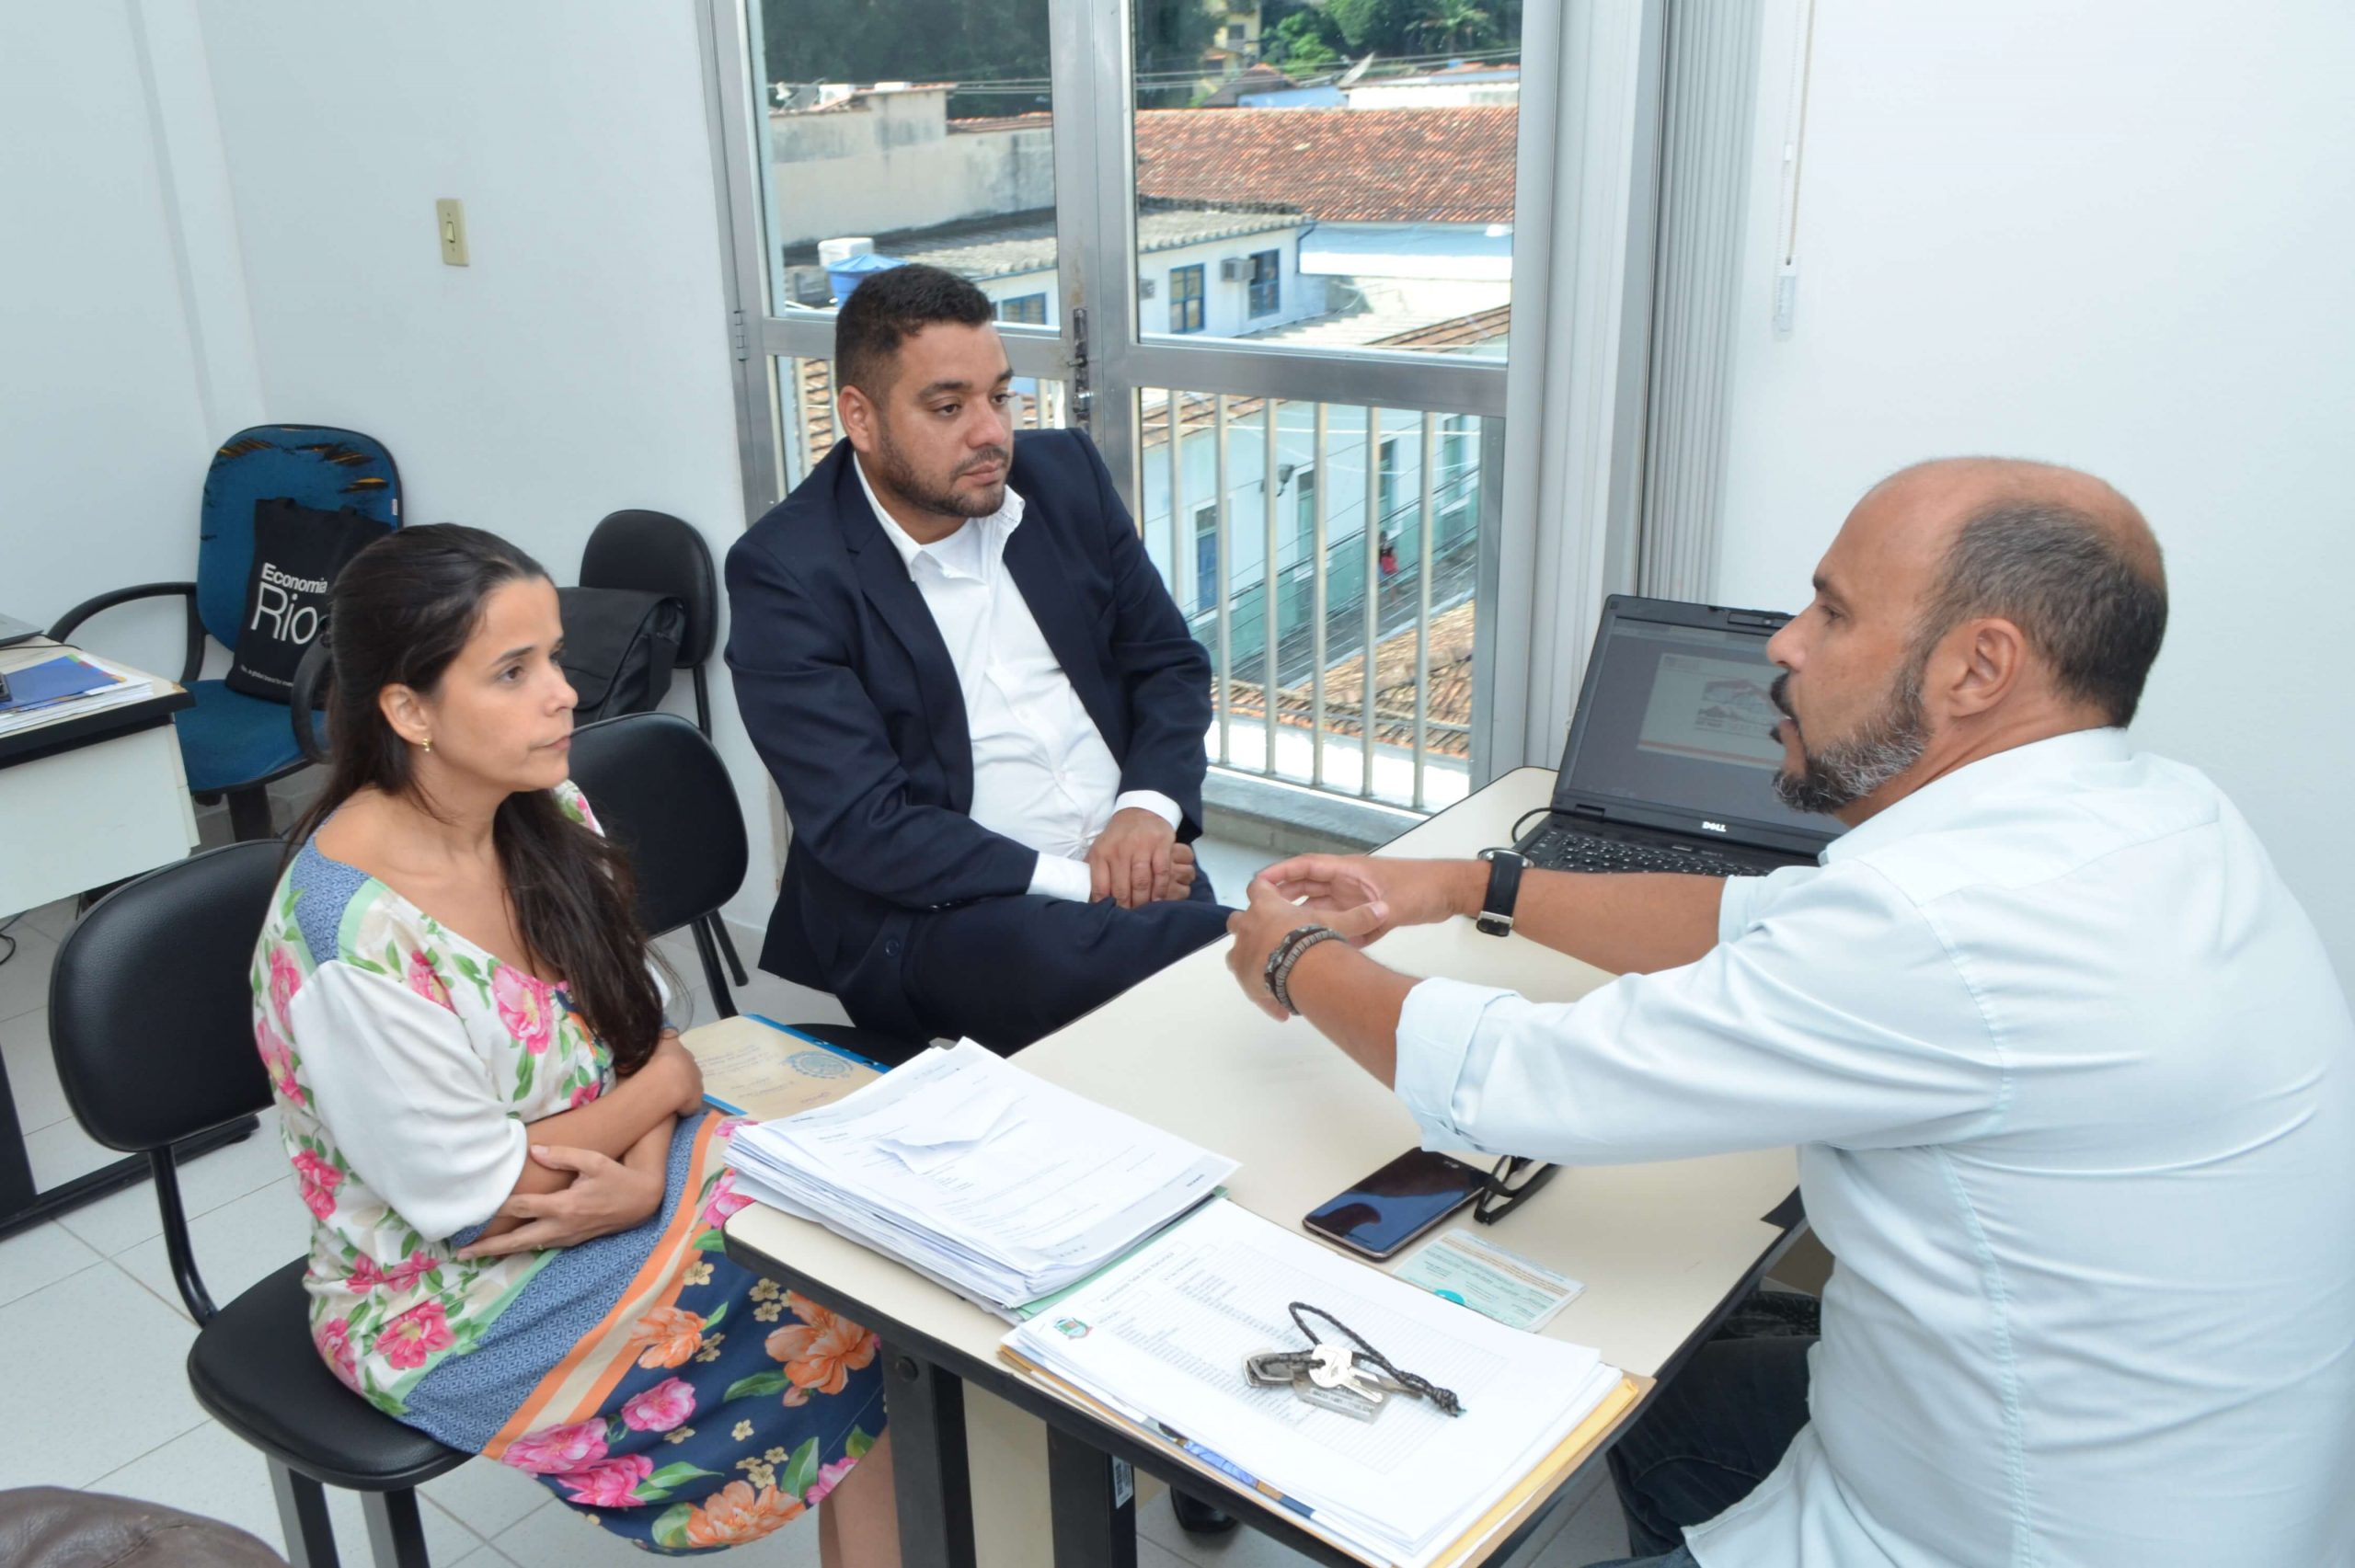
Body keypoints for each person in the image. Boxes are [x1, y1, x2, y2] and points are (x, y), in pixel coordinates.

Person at [1222, 459, 2355, 1567]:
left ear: (1978, 668)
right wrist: (1466, 884)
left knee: (1594, 1368)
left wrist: (1293, 959)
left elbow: (1515, 1082)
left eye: (1832, 610)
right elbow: (1751, 914)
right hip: (2175, 1479)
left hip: (1999, 1531)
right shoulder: (2150, 812)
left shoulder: (1947, 924)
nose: (1783, 642)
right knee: (1669, 1382)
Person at [251, 525, 899, 1563]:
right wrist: (666, 1097)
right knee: (837, 1287)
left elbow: (644, 1028)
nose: (563, 691)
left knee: (871, 1218)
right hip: (455, 1293)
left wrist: (647, 1159)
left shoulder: (542, 802)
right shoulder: (350, 945)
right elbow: (483, 1194)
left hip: (606, 1177)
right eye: (514, 672)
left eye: (552, 655)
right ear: (408, 710)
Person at [726, 263, 1229, 1053]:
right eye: (949, 406)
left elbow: (1168, 664)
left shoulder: (1064, 478)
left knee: (1202, 1028)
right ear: (858, 416)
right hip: (943, 915)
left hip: (1137, 862)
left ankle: (1274, 953)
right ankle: (1291, 949)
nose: (992, 431)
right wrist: (1091, 879)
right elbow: (867, 825)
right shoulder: (786, 571)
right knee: (1198, 971)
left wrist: (1147, 813)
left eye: (1001, 395)